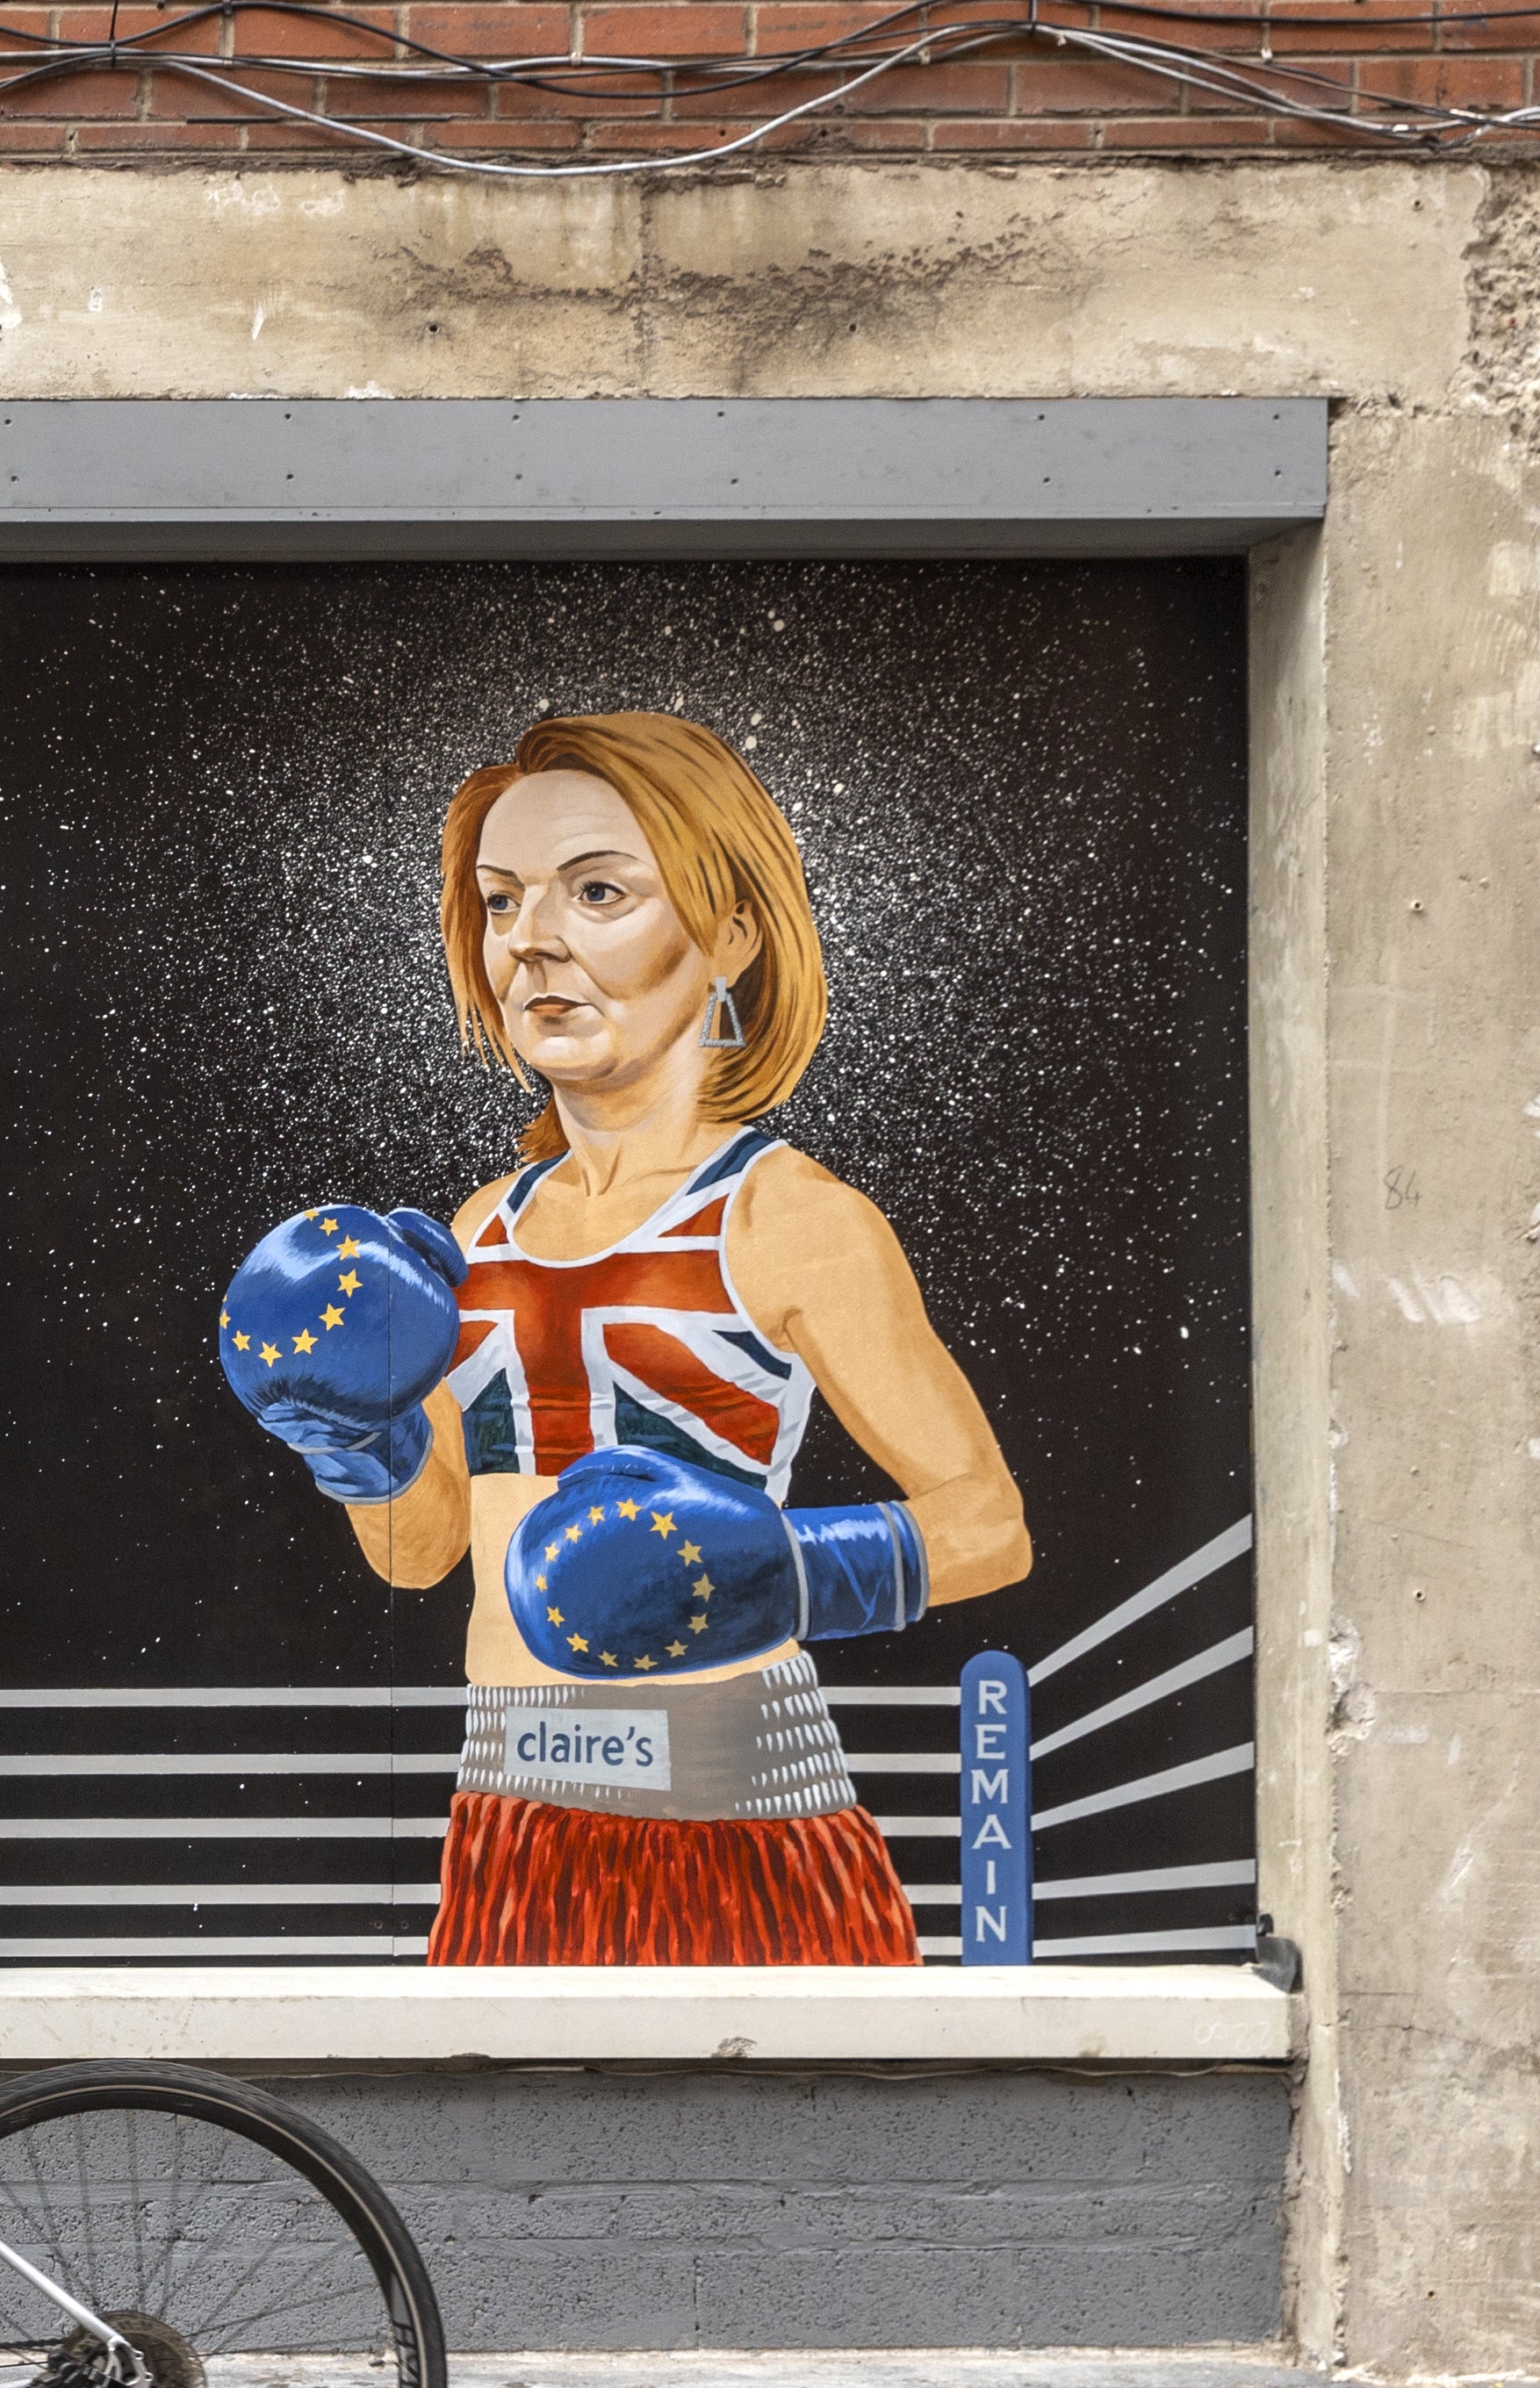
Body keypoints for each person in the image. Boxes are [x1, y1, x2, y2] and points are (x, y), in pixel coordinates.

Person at [219, 710, 1029, 1964]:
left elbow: (988, 1523)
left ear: (732, 932)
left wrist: (784, 1574)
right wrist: (353, 1440)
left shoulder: (790, 1217)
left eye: (597, 890)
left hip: (745, 1819)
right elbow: (422, 1553)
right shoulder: (474, 1231)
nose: (532, 939)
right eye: (500, 902)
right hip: (508, 1818)